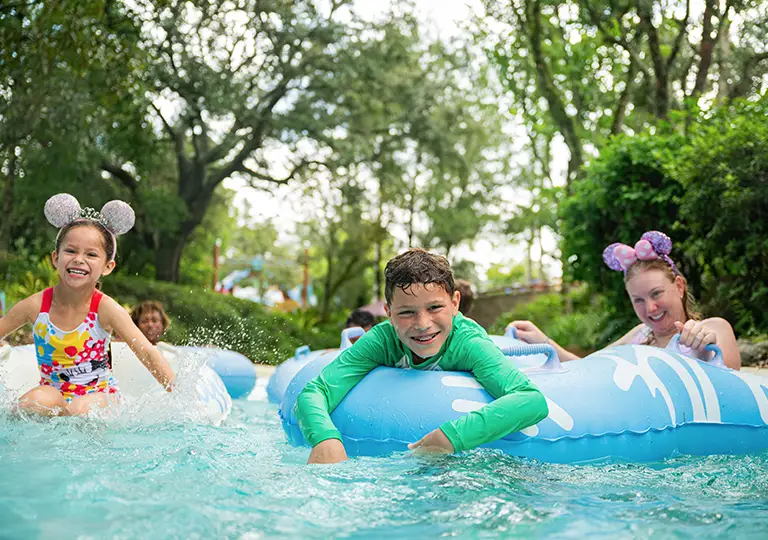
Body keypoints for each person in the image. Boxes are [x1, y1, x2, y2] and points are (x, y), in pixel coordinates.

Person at [296, 248, 549, 464]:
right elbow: (316, 391)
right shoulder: (382, 340)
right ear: (389, 312)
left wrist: (450, 437)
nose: (422, 324)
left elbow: (531, 400)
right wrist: (324, 438)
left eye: (435, 307)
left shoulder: (469, 343)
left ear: (455, 303)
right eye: (407, 312)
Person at [0, 194, 176, 417]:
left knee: (80, 409)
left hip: (99, 396)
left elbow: (147, 353)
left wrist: (179, 395)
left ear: (107, 266)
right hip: (54, 392)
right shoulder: (36, 306)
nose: (79, 259)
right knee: (30, 404)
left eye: (91, 254)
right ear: (56, 258)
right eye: (71, 251)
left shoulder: (105, 308)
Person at [508, 231, 741, 370]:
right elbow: (588, 367)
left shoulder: (714, 328)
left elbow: (734, 388)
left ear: (679, 286)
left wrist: (705, 351)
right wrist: (545, 342)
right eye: (638, 300)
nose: (650, 308)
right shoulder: (639, 335)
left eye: (656, 293)